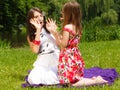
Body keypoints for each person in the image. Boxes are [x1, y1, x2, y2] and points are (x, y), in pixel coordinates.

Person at [46, 1, 108, 87]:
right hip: (75, 57)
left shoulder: (67, 27)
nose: (62, 13)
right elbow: (64, 42)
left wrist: (55, 33)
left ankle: (96, 81)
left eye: (63, 11)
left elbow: (63, 45)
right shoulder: (77, 26)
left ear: (69, 13)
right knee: (75, 79)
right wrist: (55, 32)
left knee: (71, 84)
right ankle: (95, 79)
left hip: (68, 59)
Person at [25, 7, 60, 86]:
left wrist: (54, 32)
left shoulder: (49, 27)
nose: (40, 18)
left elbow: (60, 44)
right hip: (43, 60)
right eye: (36, 17)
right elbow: (35, 50)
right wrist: (38, 30)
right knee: (34, 78)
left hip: (56, 57)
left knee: (52, 77)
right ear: (31, 20)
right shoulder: (31, 35)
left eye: (41, 16)